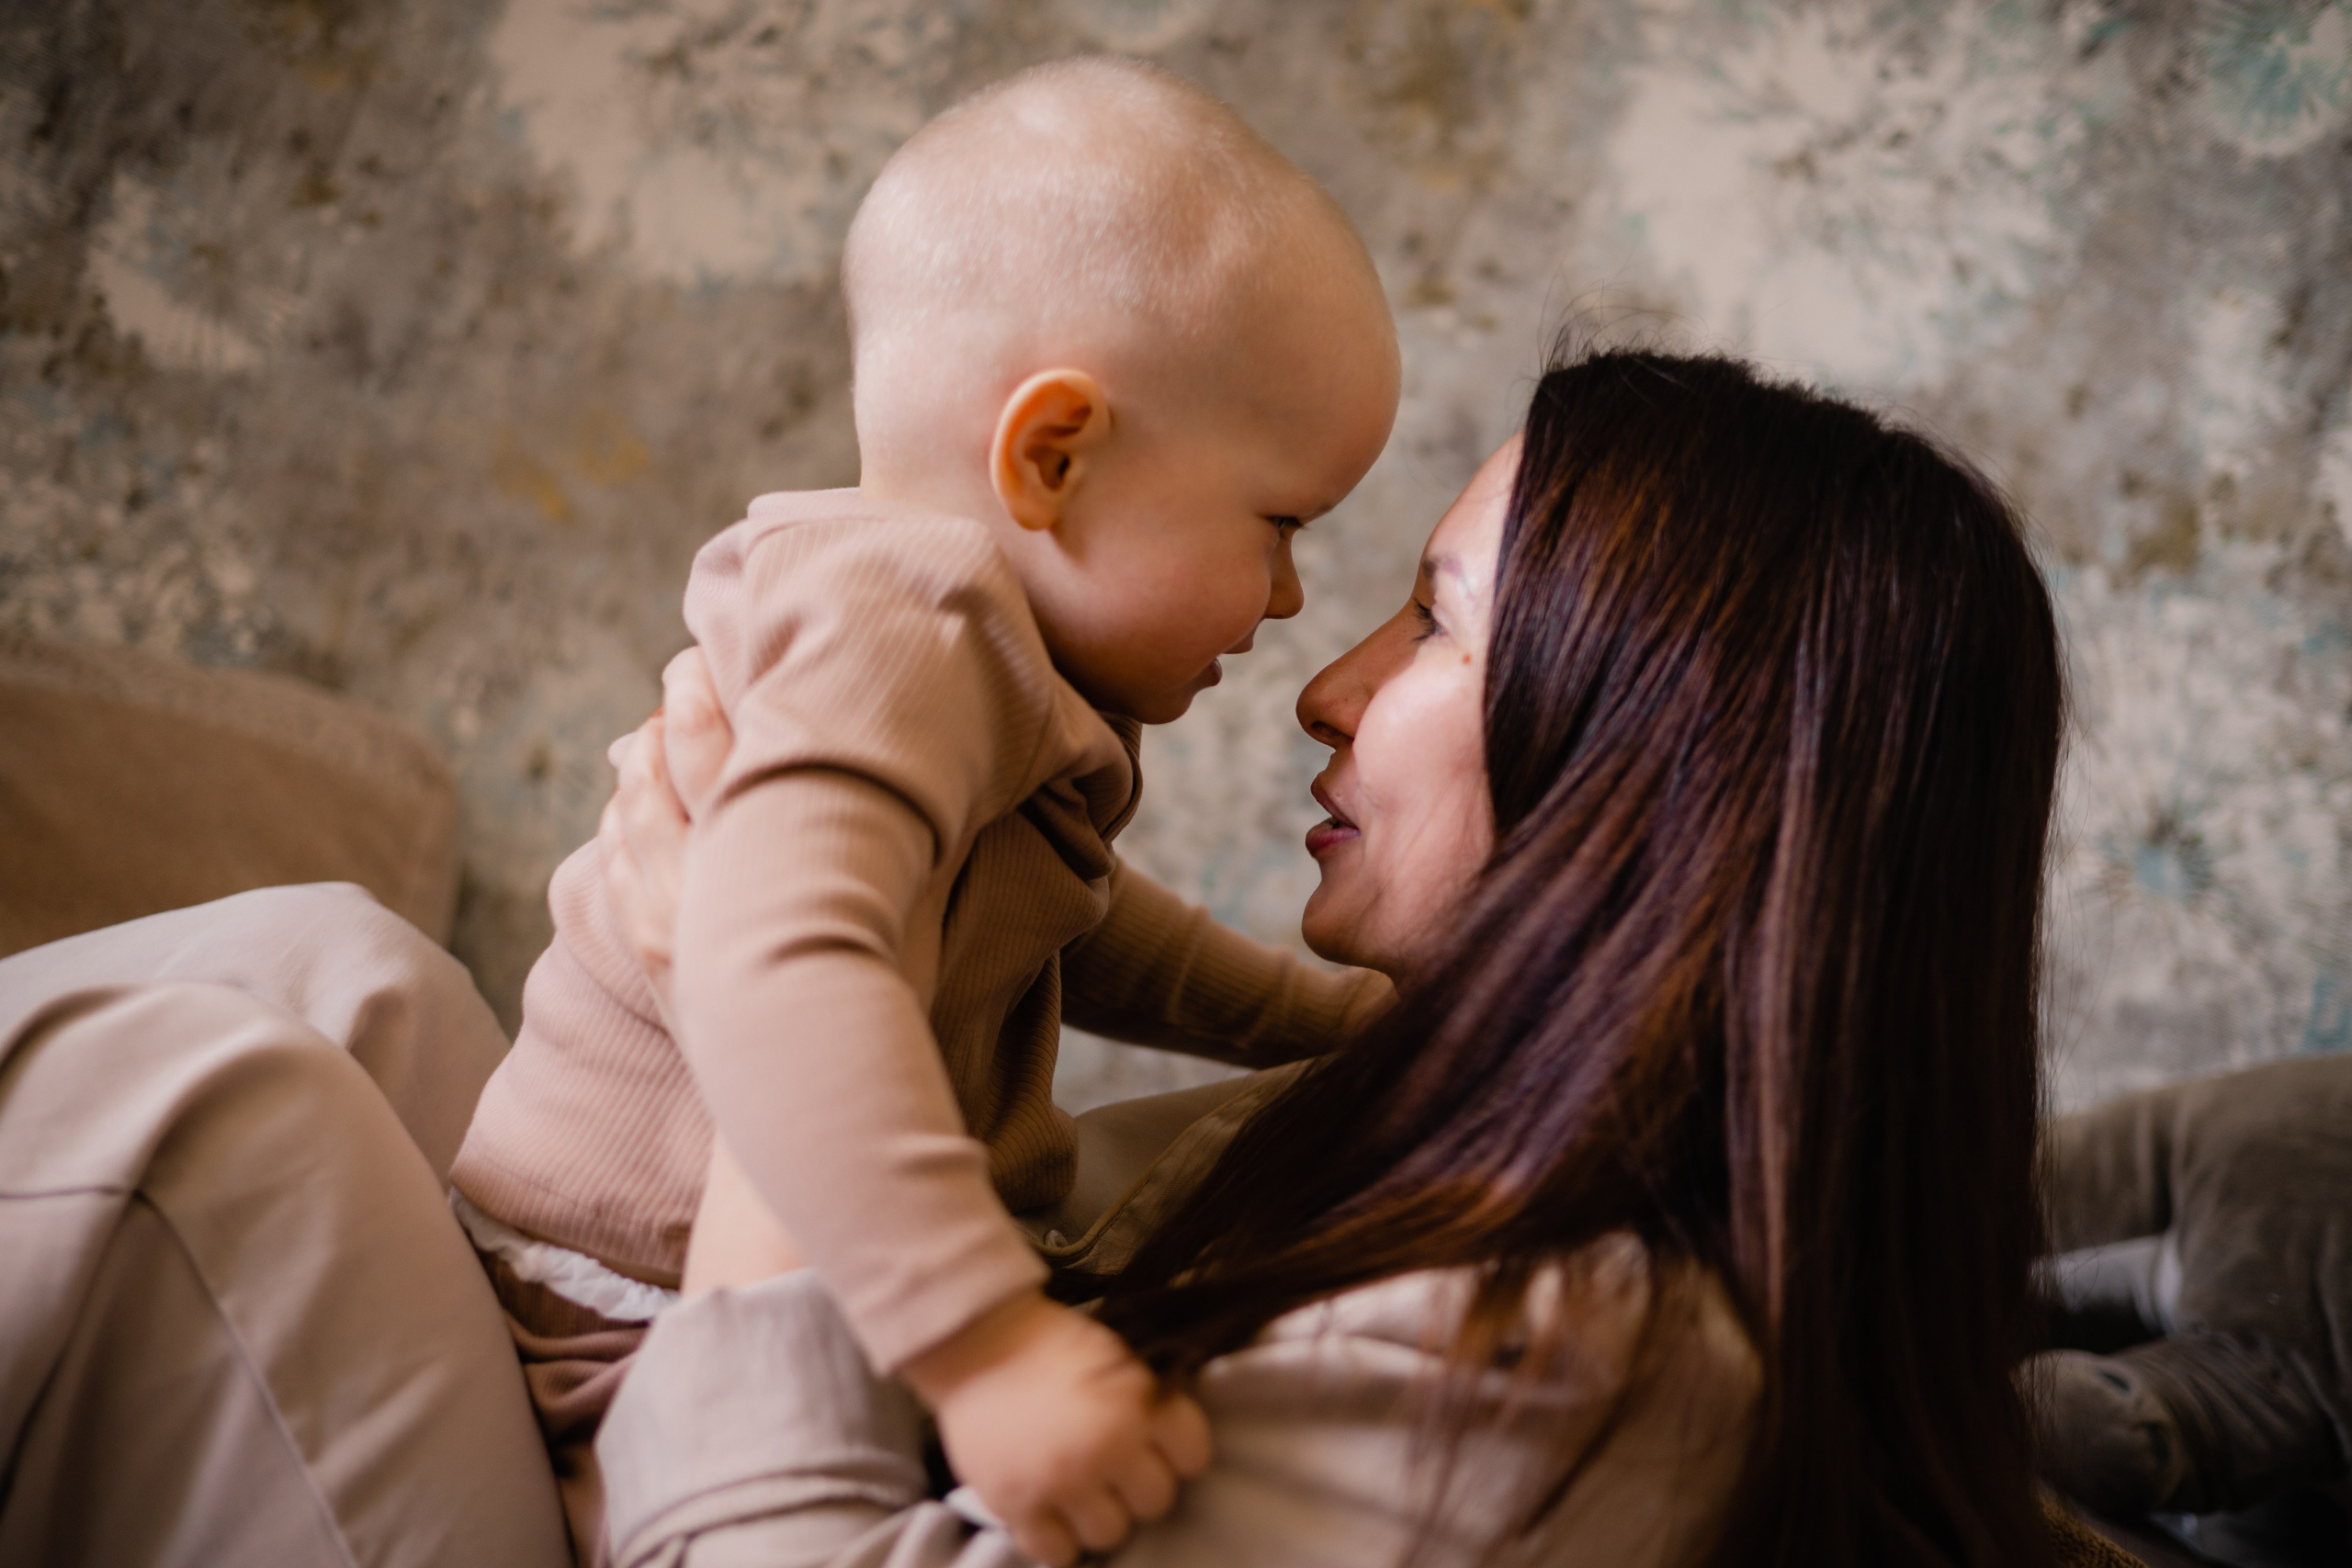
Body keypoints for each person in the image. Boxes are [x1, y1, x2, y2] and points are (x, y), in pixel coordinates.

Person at [587, 346, 2111, 1568]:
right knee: (343, 981)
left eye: (1434, 623)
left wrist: (741, 997)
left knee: (328, 1106)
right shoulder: (1361, 1132)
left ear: (1658, 759)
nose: (1324, 687)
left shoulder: (1563, 1356)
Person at [445, 56, 1399, 1564]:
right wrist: (982, 1343)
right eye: (1280, 525)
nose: (1290, 601)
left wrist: (1319, 1016)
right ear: (1053, 455)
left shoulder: (981, 668)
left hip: (728, 1283)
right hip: (622, 1303)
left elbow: (1066, 916)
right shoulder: (914, 617)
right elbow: (773, 959)